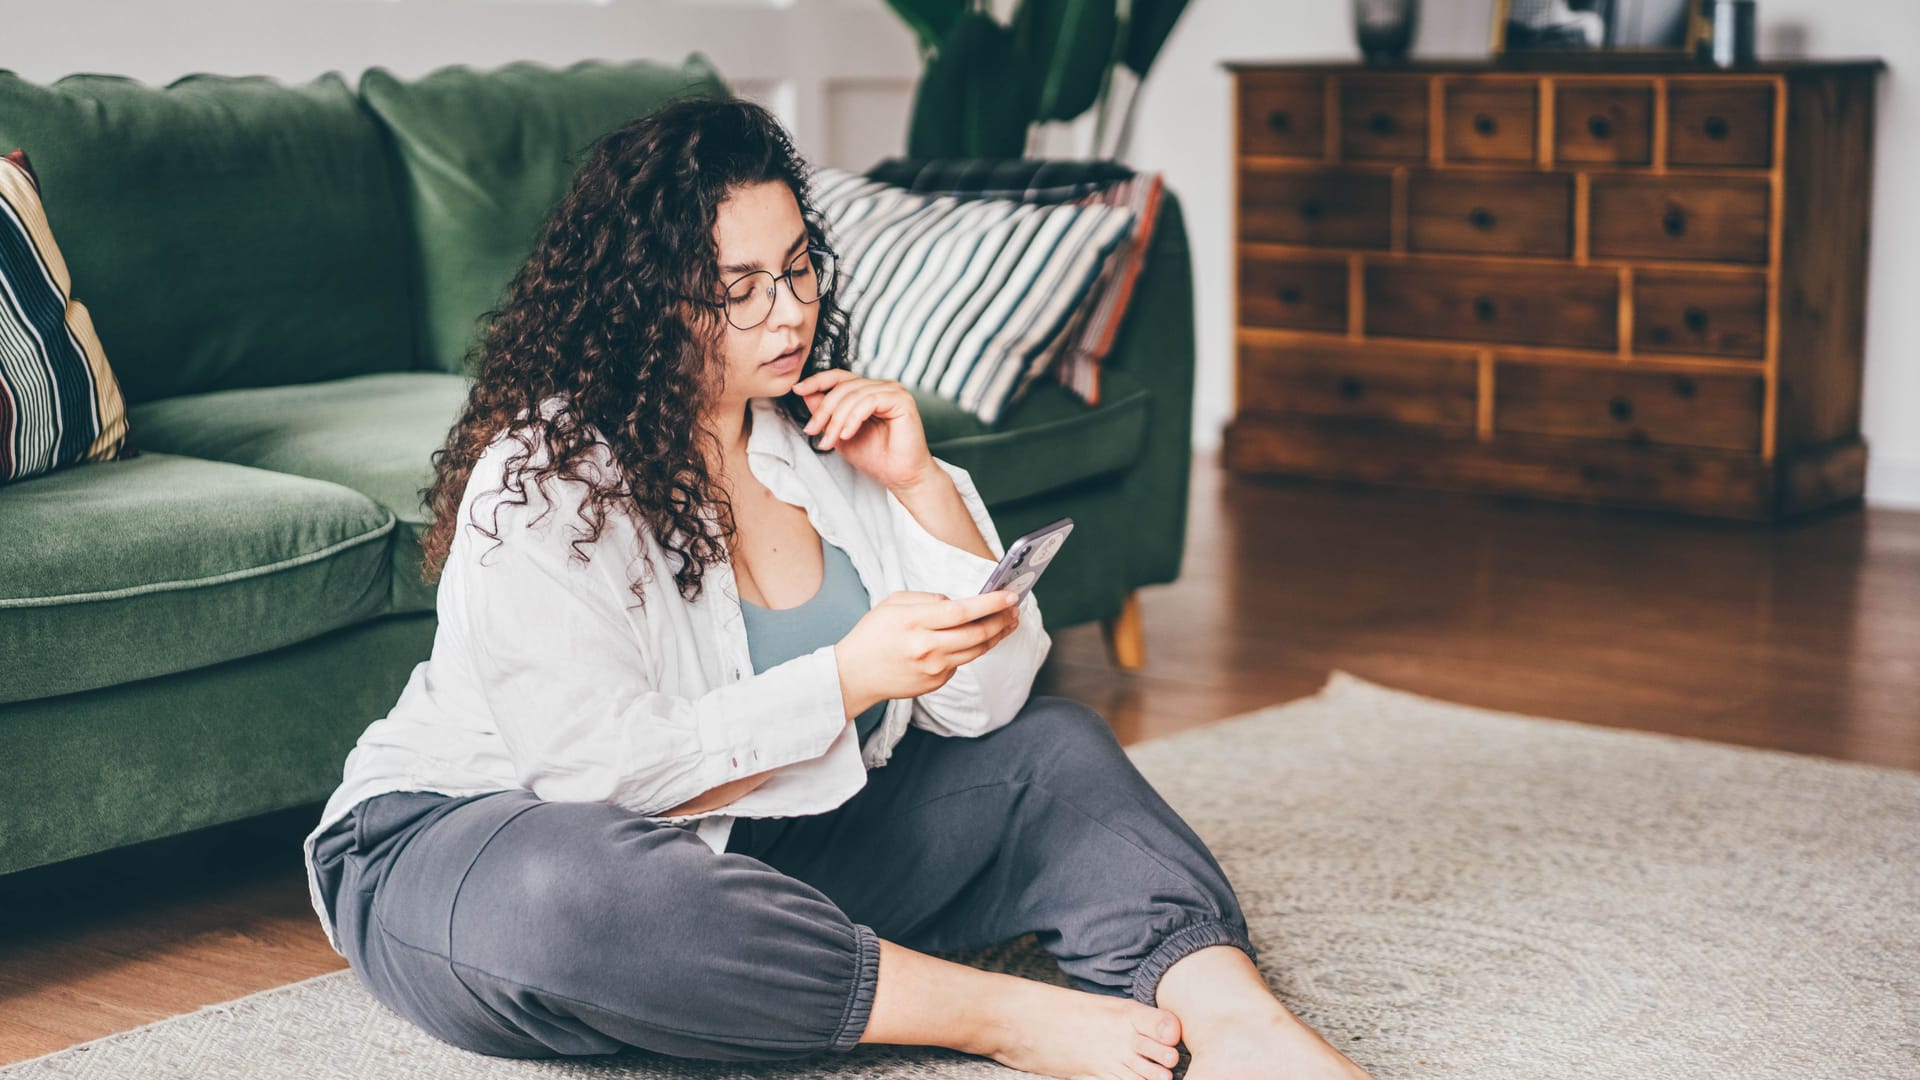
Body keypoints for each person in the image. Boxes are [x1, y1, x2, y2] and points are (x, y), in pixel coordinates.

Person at [302, 96, 1374, 1080]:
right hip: (475, 841)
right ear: (646, 299)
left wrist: (919, 488)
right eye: (739, 288)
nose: (788, 312)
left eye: (799, 268)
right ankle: (983, 1015)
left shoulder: (823, 449)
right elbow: (593, 778)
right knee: (573, 901)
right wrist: (847, 677)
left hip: (752, 843)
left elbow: (984, 708)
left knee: (1054, 759)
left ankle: (1238, 1024)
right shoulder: (548, 480)